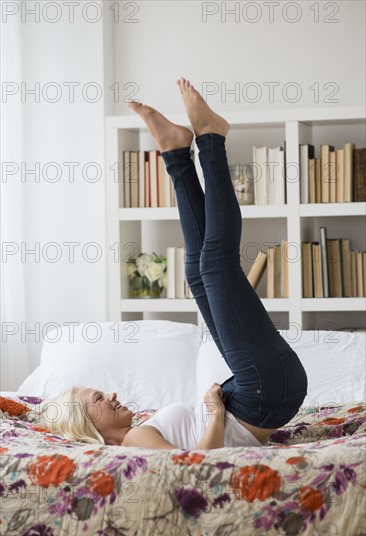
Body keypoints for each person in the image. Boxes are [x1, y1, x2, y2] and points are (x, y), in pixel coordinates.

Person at [38, 78, 308, 450]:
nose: (112, 396)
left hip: (261, 391)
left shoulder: (139, 433)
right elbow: (198, 465)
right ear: (88, 425)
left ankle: (177, 152)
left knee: (198, 274)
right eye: (98, 400)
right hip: (263, 394)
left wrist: (216, 409)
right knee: (216, 266)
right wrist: (214, 412)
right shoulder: (133, 441)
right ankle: (210, 139)